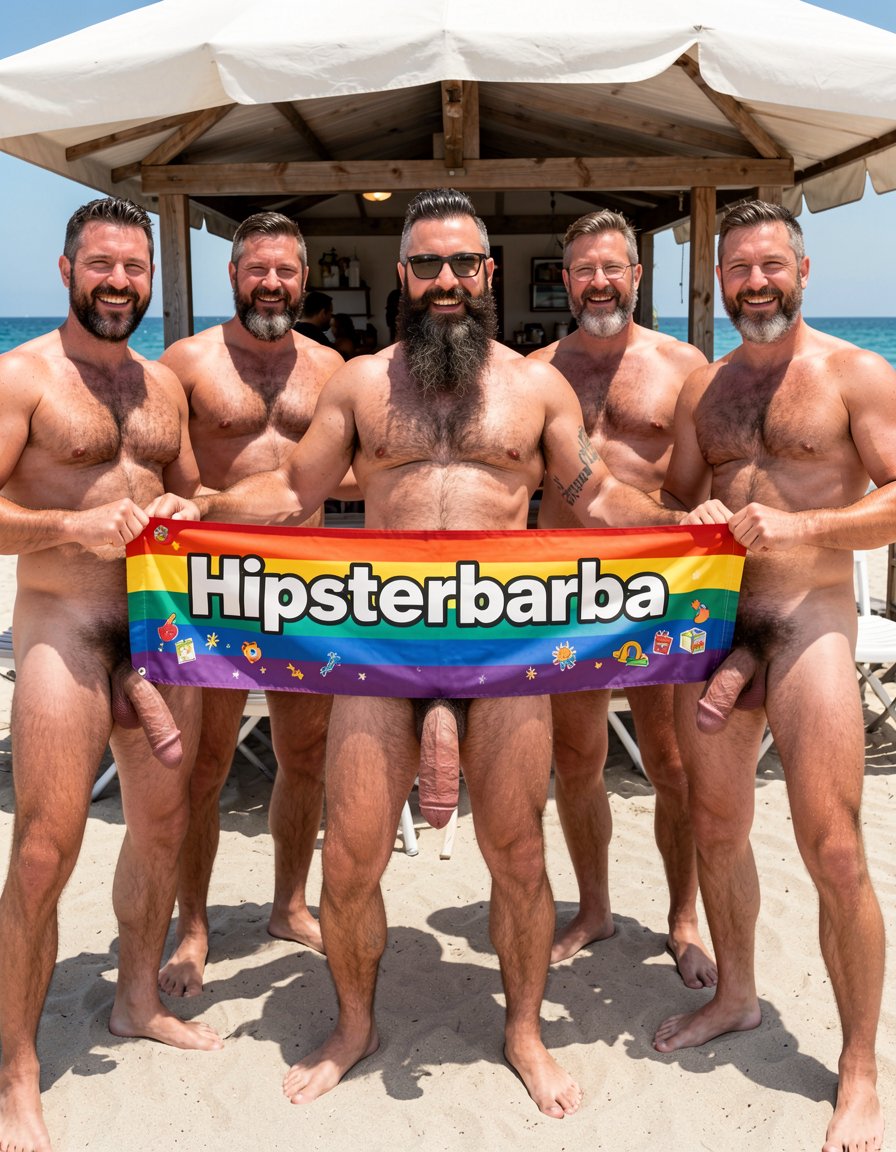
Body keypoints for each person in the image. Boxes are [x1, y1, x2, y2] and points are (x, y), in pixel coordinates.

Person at [151, 188, 722, 1119]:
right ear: (405, 277)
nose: (447, 280)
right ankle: (353, 1024)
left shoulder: (533, 388)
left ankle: (525, 1031)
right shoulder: (362, 383)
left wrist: (684, 527)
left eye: (463, 264)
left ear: (489, 273)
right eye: (427, 265)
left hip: (506, 646)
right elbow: (293, 492)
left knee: (516, 853)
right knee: (354, 860)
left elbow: (595, 495)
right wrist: (201, 510)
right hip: (379, 644)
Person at [653, 199, 888, 1152]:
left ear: (801, 270)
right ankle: (740, 995)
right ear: (717, 282)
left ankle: (861, 1067)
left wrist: (801, 530)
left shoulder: (853, 372)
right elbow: (672, 497)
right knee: (715, 828)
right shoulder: (703, 392)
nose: (755, 283)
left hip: (808, 622)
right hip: (715, 630)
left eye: (769, 266)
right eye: (737, 269)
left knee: (833, 851)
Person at [0, 197, 222, 1152]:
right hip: (65, 630)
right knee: (46, 850)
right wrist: (70, 529)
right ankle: (15, 1068)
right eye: (102, 265)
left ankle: (136, 999)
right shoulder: (21, 378)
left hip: (160, 639)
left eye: (135, 268)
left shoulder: (163, 388)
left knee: (163, 828)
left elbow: (187, 492)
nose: (121, 283)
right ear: (65, 270)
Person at [157, 212, 345, 997]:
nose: (273, 284)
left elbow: (354, 470)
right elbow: (166, 484)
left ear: (305, 280)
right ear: (234, 276)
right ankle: (193, 925)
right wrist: (240, 506)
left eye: (287, 271)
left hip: (307, 585)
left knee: (304, 758)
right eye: (258, 269)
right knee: (204, 765)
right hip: (212, 588)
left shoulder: (334, 366)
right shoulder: (187, 363)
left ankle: (289, 903)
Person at [532, 210, 716, 987]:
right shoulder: (536, 370)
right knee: (577, 761)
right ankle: (595, 906)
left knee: (673, 765)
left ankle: (682, 916)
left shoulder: (684, 365)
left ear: (637, 277)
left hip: (662, 586)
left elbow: (706, 479)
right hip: (564, 588)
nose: (599, 281)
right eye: (583, 269)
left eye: (614, 267)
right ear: (565, 279)